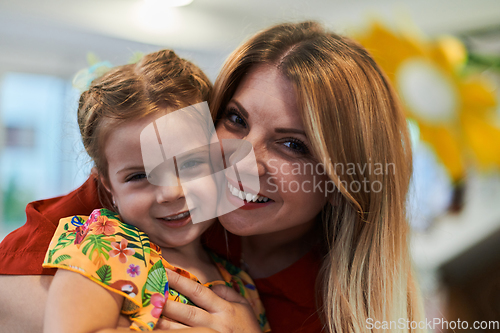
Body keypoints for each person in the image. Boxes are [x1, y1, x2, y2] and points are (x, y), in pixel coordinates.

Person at [0, 21, 424, 333]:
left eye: (293, 145)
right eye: (236, 119)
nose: (241, 160)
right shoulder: (136, 193)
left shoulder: (331, 305)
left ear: (338, 184)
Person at [40, 49, 267, 332]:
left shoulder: (240, 281)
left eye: (191, 163)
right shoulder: (104, 245)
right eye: (139, 176)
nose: (170, 193)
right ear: (108, 185)